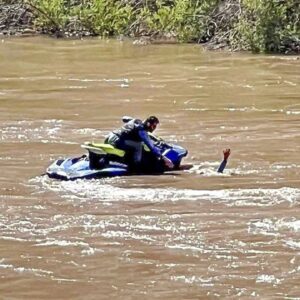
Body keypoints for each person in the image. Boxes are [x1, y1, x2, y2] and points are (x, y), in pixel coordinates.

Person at [105, 116, 174, 171]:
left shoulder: (136, 121)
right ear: (148, 124)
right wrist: (164, 158)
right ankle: (135, 167)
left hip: (111, 136)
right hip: (118, 141)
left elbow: (125, 118)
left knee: (135, 143)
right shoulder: (142, 131)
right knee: (139, 145)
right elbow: (151, 146)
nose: (154, 128)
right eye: (154, 126)